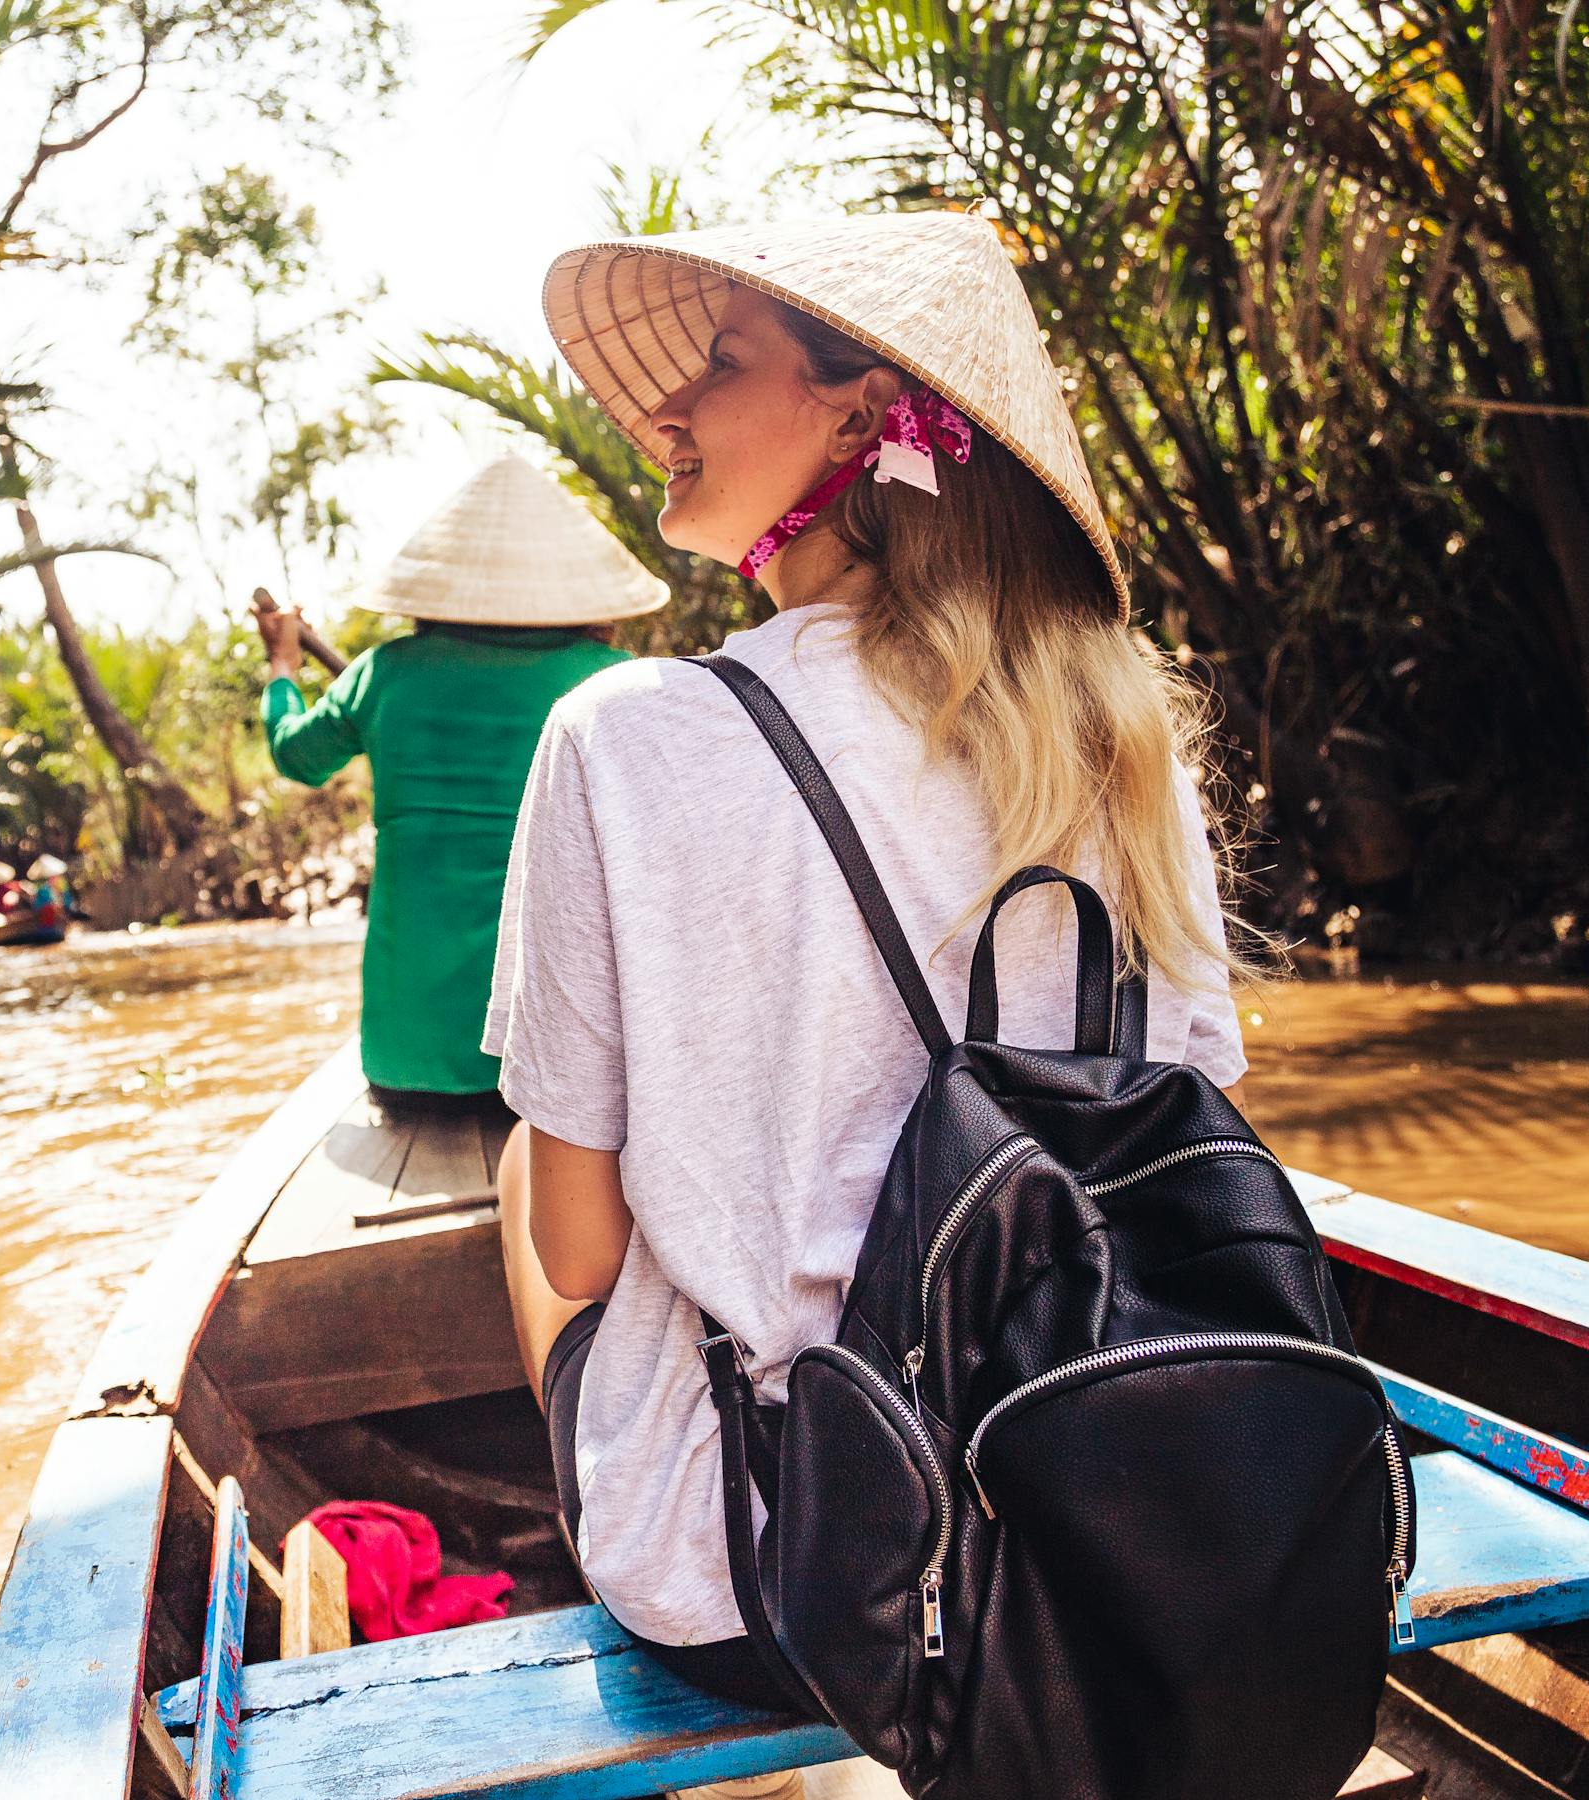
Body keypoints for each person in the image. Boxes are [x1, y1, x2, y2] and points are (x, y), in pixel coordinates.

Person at [484, 214, 1259, 1753]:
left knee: (527, 1161)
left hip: (769, 1586)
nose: (663, 415)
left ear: (859, 412)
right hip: (1093, 1532)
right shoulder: (1118, 730)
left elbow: (576, 1258)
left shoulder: (624, 735)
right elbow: (1201, 1133)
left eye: (717, 364)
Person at [258, 454, 667, 1117]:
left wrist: (282, 665)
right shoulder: (622, 682)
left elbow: (296, 754)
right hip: (565, 1075)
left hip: (410, 1064)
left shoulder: (384, 674)